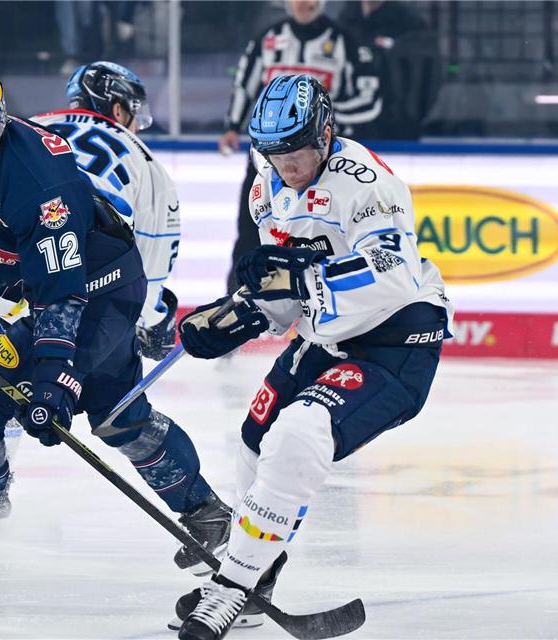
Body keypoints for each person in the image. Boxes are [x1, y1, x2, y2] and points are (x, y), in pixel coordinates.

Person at [0, 58, 232, 603]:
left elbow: (63, 294)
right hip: (40, 288)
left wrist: (57, 374)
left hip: (101, 291)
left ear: (3, 118)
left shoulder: (41, 176)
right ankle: (208, 514)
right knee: (114, 412)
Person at [171, 74, 453, 639]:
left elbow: (391, 278)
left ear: (324, 135)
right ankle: (259, 576)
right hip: (326, 338)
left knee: (298, 435)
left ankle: (232, 589)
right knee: (256, 439)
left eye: (296, 151)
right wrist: (238, 317)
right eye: (274, 153)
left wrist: (298, 281)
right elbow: (285, 290)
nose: (287, 166)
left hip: (395, 341)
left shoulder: (367, 184)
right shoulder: (264, 186)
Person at [220, 0, 382, 297]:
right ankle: (242, 299)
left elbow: (370, 100)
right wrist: (232, 125)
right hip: (268, 158)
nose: (303, 3)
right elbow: (244, 84)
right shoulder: (267, 39)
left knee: (323, 234)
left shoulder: (344, 41)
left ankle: (322, 300)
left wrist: (320, 119)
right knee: (251, 230)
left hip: (323, 159)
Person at [33, 60, 181, 362]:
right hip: (89, 267)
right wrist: (155, 322)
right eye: (135, 114)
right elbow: (152, 261)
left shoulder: (31, 125)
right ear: (118, 109)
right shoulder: (143, 156)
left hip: (12, 253)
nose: (137, 124)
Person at [338, 0, 442, 140]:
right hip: (350, 130)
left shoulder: (410, 23)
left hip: (397, 133)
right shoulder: (346, 20)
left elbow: (429, 77)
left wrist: (410, 118)